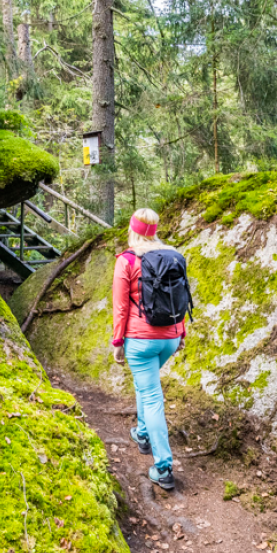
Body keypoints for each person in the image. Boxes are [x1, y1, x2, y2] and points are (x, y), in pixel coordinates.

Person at [111, 208, 191, 490]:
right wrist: (180, 334)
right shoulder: (173, 255)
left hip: (140, 340)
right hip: (168, 337)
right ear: (155, 230)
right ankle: (142, 433)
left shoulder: (127, 260)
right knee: (146, 385)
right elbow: (179, 297)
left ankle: (164, 466)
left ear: (132, 230)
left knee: (152, 396)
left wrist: (118, 343)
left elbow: (121, 307)